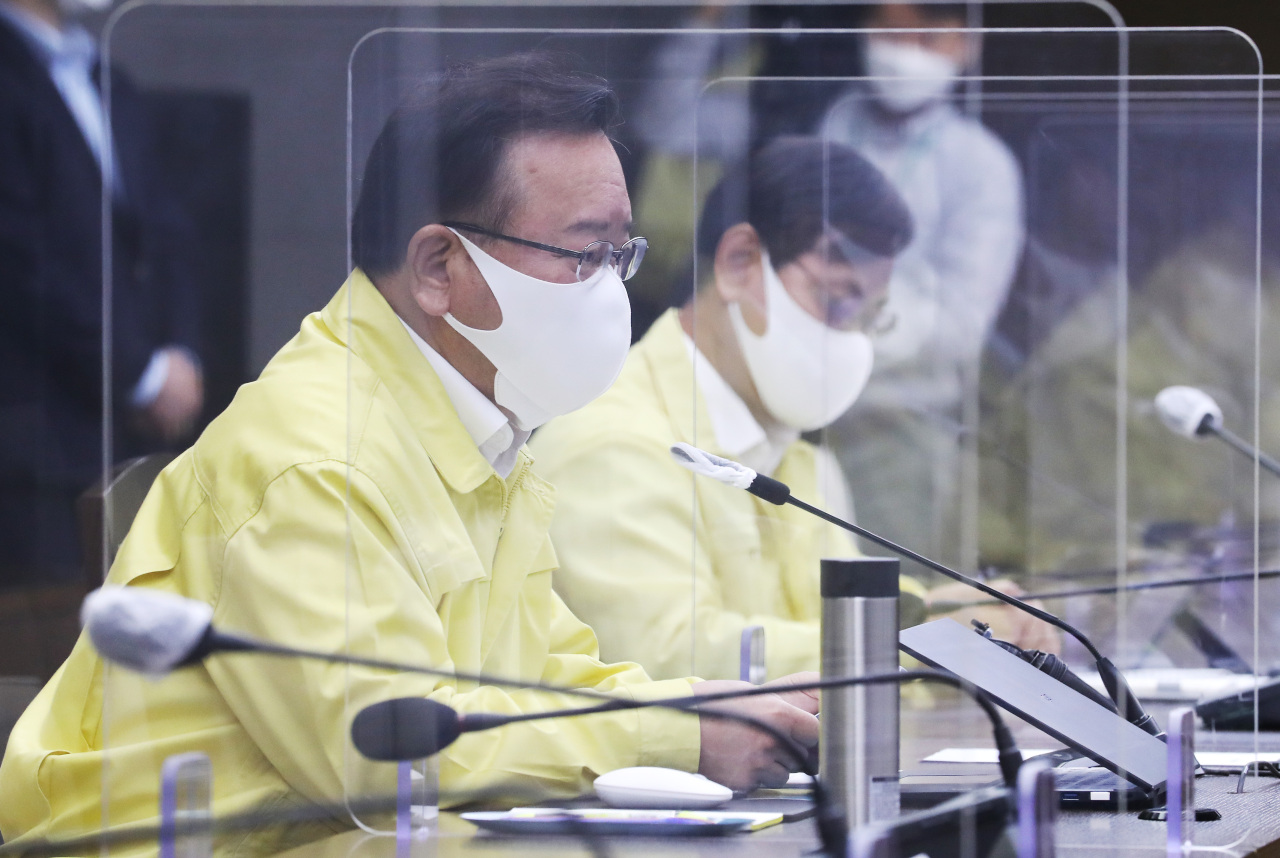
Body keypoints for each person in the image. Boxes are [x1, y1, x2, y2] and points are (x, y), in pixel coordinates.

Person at [0, 53, 820, 852]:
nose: (613, 289)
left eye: (622, 254)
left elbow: (542, 674)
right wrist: (675, 737)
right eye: (585, 254)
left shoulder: (479, 418)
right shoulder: (315, 455)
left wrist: (715, 705)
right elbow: (383, 752)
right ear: (438, 266)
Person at [532, 136, 1055, 683]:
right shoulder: (610, 445)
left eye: (869, 316)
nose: (852, 339)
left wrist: (937, 611)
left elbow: (826, 618)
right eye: (835, 300)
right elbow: (669, 657)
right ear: (738, 263)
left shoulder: (797, 456)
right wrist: (921, 644)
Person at [0, 0, 205, 589]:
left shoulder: (106, 76)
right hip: (30, 452)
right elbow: (19, 266)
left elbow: (167, 235)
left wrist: (179, 355)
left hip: (121, 443)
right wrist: (142, 374)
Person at [820, 2, 1024, 576]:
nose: (901, 49)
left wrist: (845, 325)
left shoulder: (980, 164)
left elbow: (961, 328)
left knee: (890, 601)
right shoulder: (837, 122)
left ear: (967, 42)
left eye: (926, 34)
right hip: (804, 412)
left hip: (903, 429)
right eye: (888, 30)